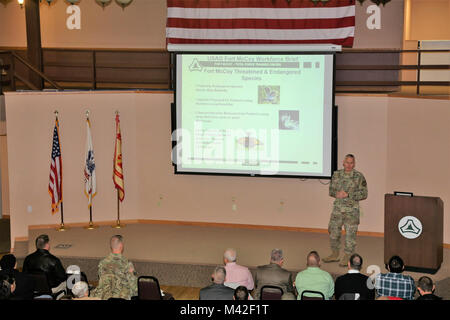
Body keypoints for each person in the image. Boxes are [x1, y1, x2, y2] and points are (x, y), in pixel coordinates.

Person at [323, 154, 368, 267]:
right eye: (347, 162)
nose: (349, 165)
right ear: (343, 163)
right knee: (333, 231)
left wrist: (348, 194)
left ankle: (348, 255)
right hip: (337, 209)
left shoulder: (359, 176)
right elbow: (331, 190)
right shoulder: (336, 174)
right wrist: (336, 193)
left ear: (354, 163)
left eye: (351, 162)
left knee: (350, 235)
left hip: (351, 211)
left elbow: (364, 194)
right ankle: (335, 253)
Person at [91, 235, 138, 300]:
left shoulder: (102, 263)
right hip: (122, 297)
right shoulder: (127, 263)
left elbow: (101, 280)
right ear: (121, 245)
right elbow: (134, 286)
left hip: (104, 297)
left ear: (111, 246)